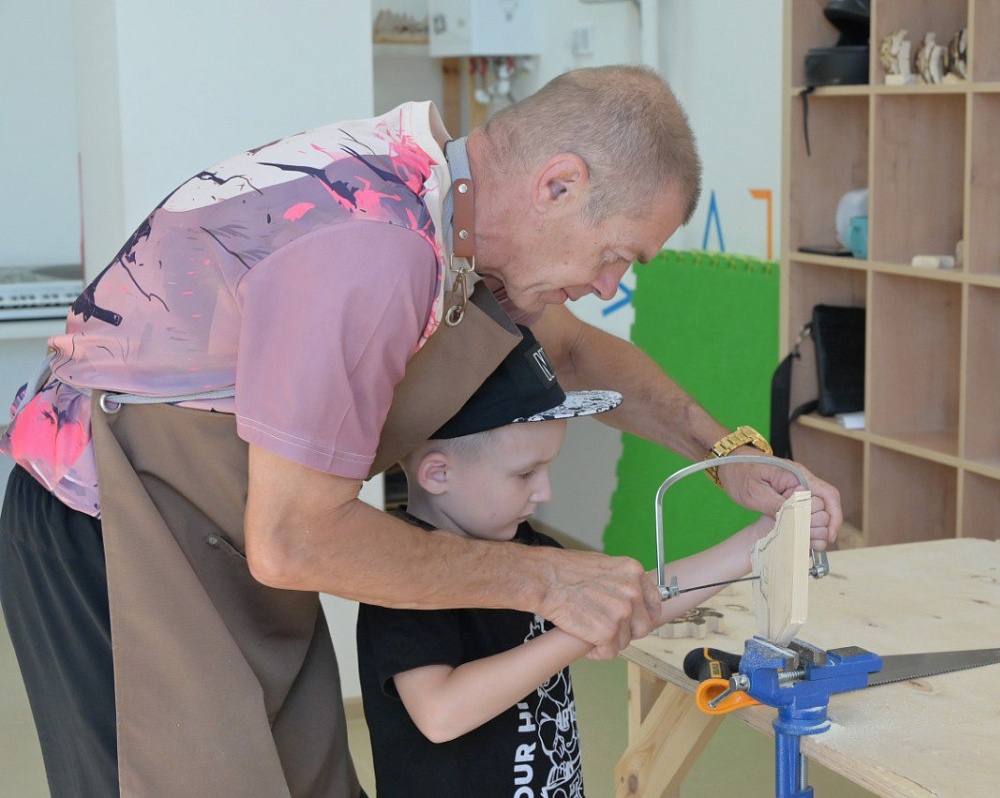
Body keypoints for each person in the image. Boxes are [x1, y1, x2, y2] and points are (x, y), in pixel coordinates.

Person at [0, 65, 841, 797]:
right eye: (616, 253)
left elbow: (575, 352)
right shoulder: (376, 242)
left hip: (230, 533)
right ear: (559, 185)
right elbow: (294, 539)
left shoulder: (449, 210)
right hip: (116, 531)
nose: (607, 284)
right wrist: (550, 582)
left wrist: (727, 457)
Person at [357, 324, 777, 797]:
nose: (545, 491)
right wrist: (584, 626)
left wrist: (758, 541)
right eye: (525, 473)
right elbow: (440, 714)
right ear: (438, 473)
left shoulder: (530, 547)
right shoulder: (401, 578)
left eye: (547, 467)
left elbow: (637, 597)